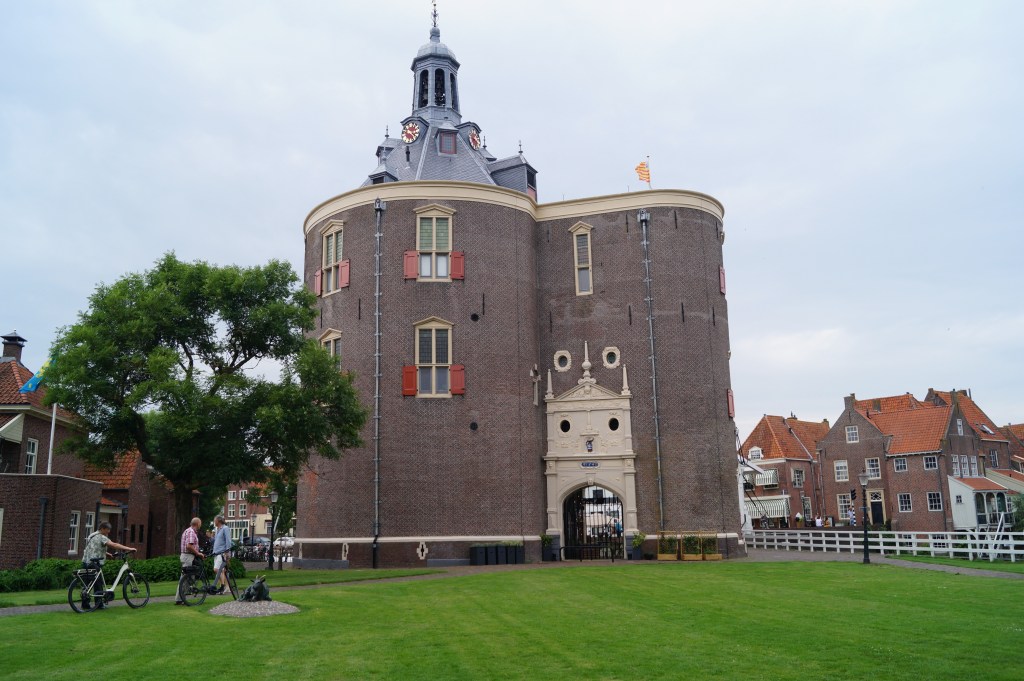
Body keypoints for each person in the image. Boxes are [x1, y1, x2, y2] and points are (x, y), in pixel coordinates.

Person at [81, 521, 136, 609]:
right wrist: (129, 548)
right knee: (98, 584)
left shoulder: (91, 535)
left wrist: (107, 554)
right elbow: (114, 545)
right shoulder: (102, 537)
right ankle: (99, 605)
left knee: (87, 584)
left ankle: (85, 604)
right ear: (102, 528)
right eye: (107, 530)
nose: (108, 532)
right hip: (95, 563)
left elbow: (93, 548)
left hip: (85, 562)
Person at [175, 517, 204, 605]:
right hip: (188, 556)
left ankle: (179, 599)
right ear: (197, 524)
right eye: (200, 523)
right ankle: (182, 599)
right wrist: (198, 553)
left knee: (183, 578)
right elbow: (189, 546)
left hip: (185, 556)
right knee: (187, 578)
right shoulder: (191, 532)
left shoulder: (187, 531)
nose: (200, 525)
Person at [212, 515, 232, 594]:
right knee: (222, 571)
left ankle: (222, 587)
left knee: (217, 569)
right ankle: (227, 587)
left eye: (215, 520)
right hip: (216, 553)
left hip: (222, 553)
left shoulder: (225, 528)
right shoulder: (217, 529)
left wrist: (227, 553)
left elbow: (228, 541)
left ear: (218, 521)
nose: (214, 522)